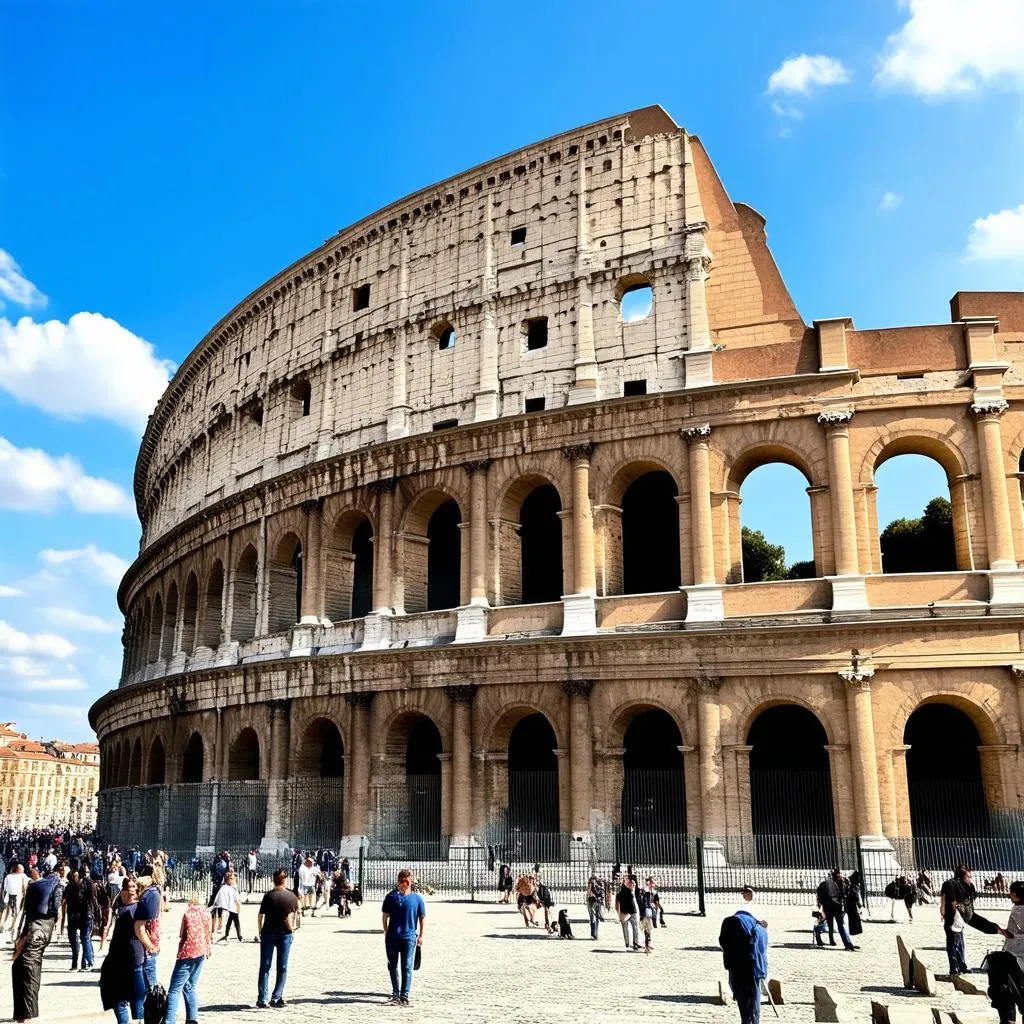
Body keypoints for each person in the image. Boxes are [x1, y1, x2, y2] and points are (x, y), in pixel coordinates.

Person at [10, 865, 60, 1023]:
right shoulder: (45, 889)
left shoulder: (40, 889)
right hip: (38, 930)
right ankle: (23, 1014)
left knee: (28, 969)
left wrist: (23, 938)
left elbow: (31, 921)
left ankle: (26, 1016)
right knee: (22, 968)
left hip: (37, 931)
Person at [940, 864, 1001, 976]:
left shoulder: (967, 886)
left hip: (961, 919)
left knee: (958, 943)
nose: (970, 879)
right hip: (952, 918)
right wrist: (943, 911)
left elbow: (970, 899)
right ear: (961, 876)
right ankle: (954, 968)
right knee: (952, 944)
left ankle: (961, 966)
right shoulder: (950, 884)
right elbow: (946, 899)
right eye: (968, 876)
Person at [165, 895, 213, 1023]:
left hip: (187, 952)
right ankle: (192, 1018)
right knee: (190, 986)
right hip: (202, 951)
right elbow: (209, 932)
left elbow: (182, 934)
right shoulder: (207, 913)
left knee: (174, 989)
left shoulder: (188, 914)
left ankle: (169, 1020)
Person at [381, 868, 426, 1006]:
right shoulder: (391, 897)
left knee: (406, 966)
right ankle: (395, 992)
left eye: (406, 881)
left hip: (409, 937)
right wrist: (386, 930)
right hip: (393, 936)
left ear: (411, 881)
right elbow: (385, 916)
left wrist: (421, 936)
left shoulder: (417, 898)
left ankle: (404, 995)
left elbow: (422, 917)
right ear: (398, 881)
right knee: (392, 965)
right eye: (401, 881)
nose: (404, 883)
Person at [720, 899, 769, 1024]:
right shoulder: (758, 926)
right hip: (752, 967)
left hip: (735, 965)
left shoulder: (729, 921)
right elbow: (761, 951)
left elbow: (723, 942)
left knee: (742, 999)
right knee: (753, 1000)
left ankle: (745, 1020)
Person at [257, 868, 300, 1009]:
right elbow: (293, 916)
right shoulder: (291, 897)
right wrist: (292, 929)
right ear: (285, 880)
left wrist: (260, 932)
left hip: (268, 933)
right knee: (282, 967)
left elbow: (260, 915)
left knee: (265, 966)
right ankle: (276, 996)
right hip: (284, 934)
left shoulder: (268, 896)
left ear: (273, 880)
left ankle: (262, 998)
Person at [100, 878, 140, 1024]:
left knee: (120, 999)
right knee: (124, 999)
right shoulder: (128, 908)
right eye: (128, 887)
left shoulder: (130, 911)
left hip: (124, 959)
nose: (130, 890)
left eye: (133, 887)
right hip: (126, 957)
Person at [132, 866, 165, 1010]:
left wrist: (149, 945)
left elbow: (140, 925)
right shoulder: (152, 893)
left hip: (147, 942)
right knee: (147, 983)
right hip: (148, 942)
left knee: (148, 984)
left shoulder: (150, 894)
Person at [64, 865, 99, 971]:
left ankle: (86, 963)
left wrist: (96, 915)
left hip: (86, 914)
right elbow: (65, 901)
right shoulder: (69, 886)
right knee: (73, 939)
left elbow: (93, 899)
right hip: (73, 915)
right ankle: (75, 963)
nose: (74, 878)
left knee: (85, 938)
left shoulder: (87, 883)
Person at [815, 868, 856, 951]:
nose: (840, 875)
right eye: (839, 873)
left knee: (831, 924)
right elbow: (847, 894)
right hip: (838, 906)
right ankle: (847, 944)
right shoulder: (842, 882)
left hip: (830, 906)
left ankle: (832, 939)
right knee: (840, 925)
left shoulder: (831, 883)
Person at [213, 868, 242, 941]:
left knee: (231, 920)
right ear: (228, 880)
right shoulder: (229, 888)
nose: (234, 879)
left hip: (232, 907)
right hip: (233, 907)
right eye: (232, 878)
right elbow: (236, 899)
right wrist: (238, 906)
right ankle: (239, 936)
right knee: (236, 920)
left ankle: (227, 935)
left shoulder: (228, 887)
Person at [616, 873, 641, 951]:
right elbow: (618, 902)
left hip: (630, 910)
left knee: (634, 927)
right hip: (626, 910)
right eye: (625, 879)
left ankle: (633, 943)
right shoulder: (624, 890)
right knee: (627, 927)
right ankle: (630, 943)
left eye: (627, 879)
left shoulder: (628, 889)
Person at [1, 863, 28, 934]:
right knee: (16, 912)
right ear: (18, 869)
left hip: (9, 895)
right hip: (17, 896)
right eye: (22, 869)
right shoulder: (22, 876)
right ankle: (11, 926)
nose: (23, 870)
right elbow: (24, 887)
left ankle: (4, 926)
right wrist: (25, 895)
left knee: (7, 911)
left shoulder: (8, 876)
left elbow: (5, 887)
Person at [586, 874, 605, 940]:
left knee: (592, 918)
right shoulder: (600, 885)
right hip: (598, 902)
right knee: (597, 918)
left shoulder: (591, 884)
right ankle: (596, 934)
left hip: (591, 902)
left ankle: (593, 934)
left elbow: (588, 894)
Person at [846, 871, 863, 939]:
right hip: (852, 903)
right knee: (854, 917)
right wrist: (859, 905)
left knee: (853, 917)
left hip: (850, 902)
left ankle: (854, 930)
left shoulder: (852, 885)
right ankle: (854, 930)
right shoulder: (854, 886)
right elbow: (856, 896)